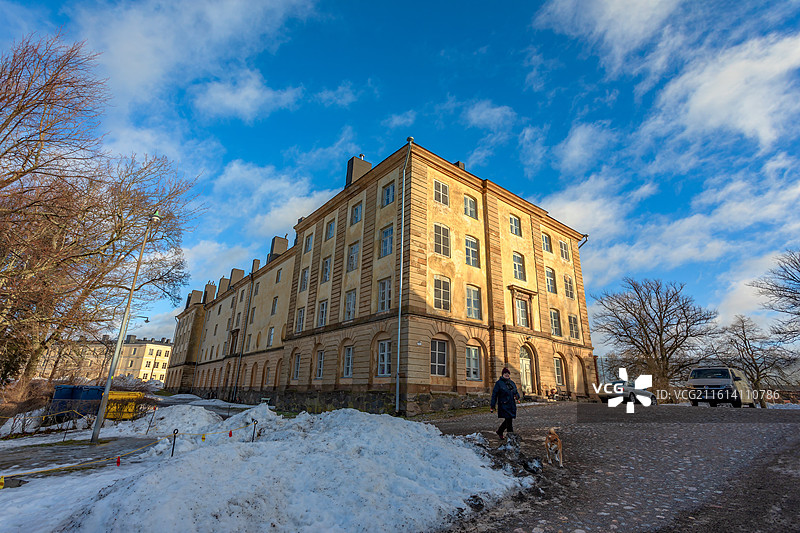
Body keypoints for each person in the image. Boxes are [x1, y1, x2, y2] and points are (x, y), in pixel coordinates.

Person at [490, 367, 520, 440]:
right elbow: (494, 394)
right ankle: (511, 437)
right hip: (503, 404)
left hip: (511, 404)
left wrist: (517, 396)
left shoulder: (511, 382)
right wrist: (492, 405)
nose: (507, 375)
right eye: (505, 373)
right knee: (509, 420)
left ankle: (500, 431)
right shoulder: (499, 383)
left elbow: (515, 392)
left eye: (508, 373)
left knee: (509, 419)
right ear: (503, 374)